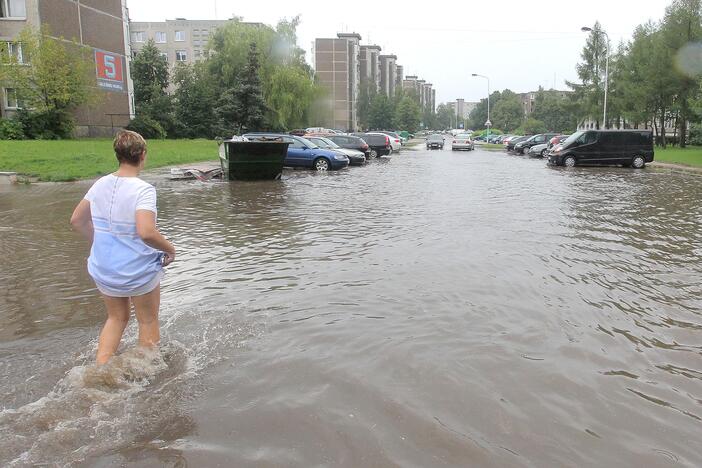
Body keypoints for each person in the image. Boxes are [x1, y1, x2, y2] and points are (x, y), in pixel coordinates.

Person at [70, 130, 176, 365]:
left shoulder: (100, 184)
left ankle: (99, 369)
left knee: (116, 318)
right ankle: (145, 374)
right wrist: (171, 249)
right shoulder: (143, 189)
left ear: (118, 155)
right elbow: (146, 232)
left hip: (104, 269)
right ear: (142, 155)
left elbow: (77, 220)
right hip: (136, 271)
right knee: (147, 321)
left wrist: (99, 242)